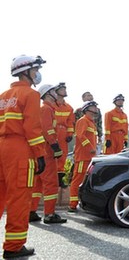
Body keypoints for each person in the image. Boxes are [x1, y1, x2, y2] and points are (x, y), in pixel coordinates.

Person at [0, 55, 47, 259]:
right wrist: (40, 155)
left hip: (2, 147)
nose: (37, 73)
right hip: (20, 149)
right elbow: (32, 128)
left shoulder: (4, 95)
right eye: (36, 69)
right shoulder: (31, 95)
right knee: (19, 198)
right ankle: (13, 246)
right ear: (26, 71)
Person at [29, 84, 67, 224]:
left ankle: (31, 211)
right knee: (51, 183)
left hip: (41, 150)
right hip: (47, 151)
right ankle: (49, 214)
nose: (56, 93)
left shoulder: (46, 108)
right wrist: (55, 145)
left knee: (38, 183)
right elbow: (47, 129)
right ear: (48, 94)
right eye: (53, 91)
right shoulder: (46, 109)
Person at [68, 101, 99, 213]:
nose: (96, 109)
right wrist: (90, 147)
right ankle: (72, 204)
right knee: (77, 180)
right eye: (93, 106)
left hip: (90, 157)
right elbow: (81, 136)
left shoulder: (92, 123)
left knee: (84, 181)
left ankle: (79, 203)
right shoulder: (83, 121)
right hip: (82, 157)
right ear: (87, 109)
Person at [53, 82, 75, 187]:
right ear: (56, 91)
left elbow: (70, 122)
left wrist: (70, 133)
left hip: (63, 133)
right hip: (52, 132)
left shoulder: (69, 108)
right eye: (62, 89)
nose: (65, 90)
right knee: (51, 155)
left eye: (65, 88)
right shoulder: (51, 105)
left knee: (63, 155)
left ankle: (60, 180)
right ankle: (51, 178)